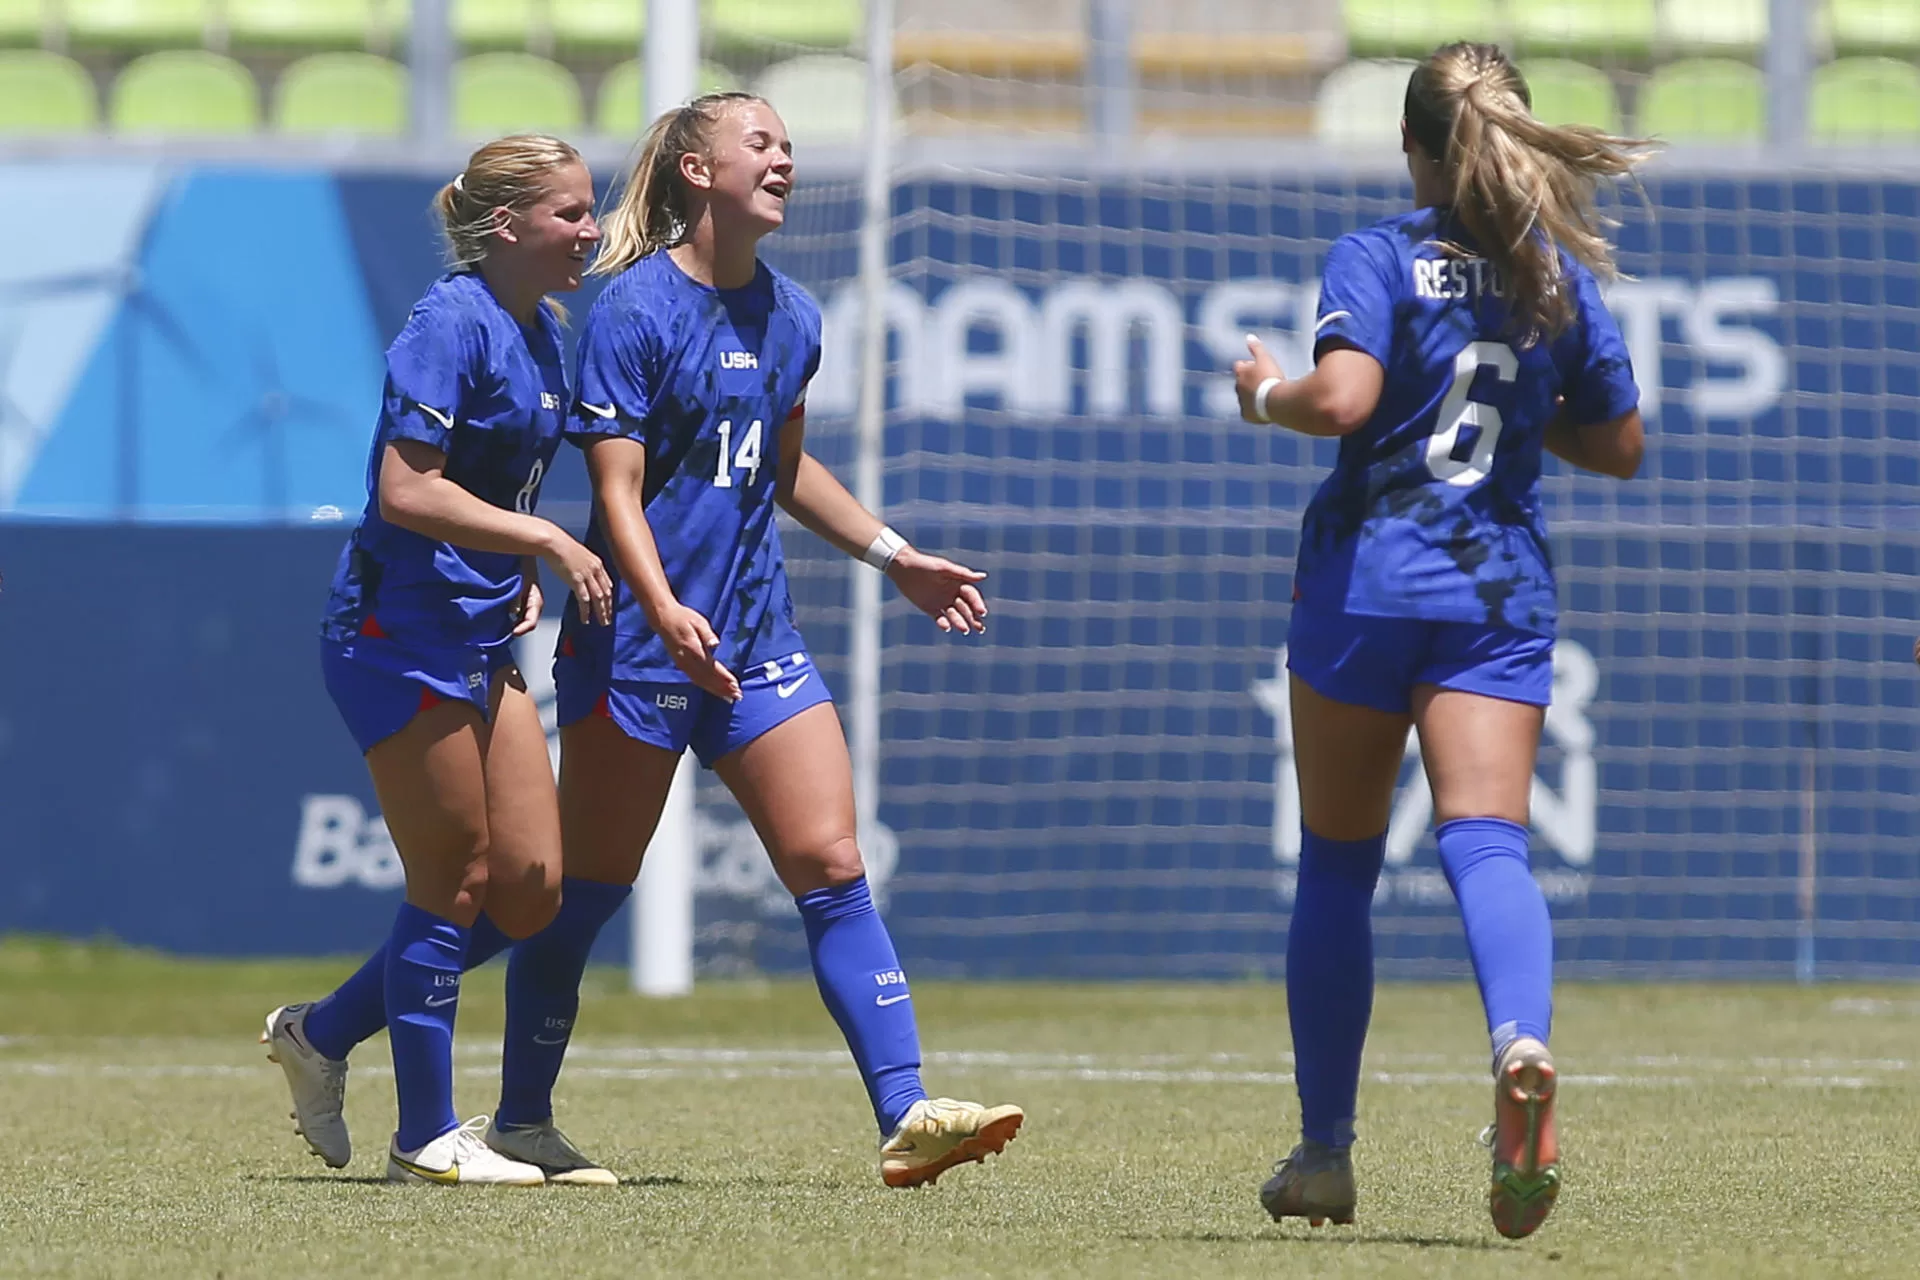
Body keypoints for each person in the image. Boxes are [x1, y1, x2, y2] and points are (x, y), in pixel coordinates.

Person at [507, 90, 1022, 1189]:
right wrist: (663, 613)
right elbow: (616, 493)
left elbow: (783, 473)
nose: (784, 158)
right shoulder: (633, 312)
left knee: (834, 866)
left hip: (754, 640)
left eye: (789, 144)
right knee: (581, 892)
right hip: (642, 648)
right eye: (760, 142)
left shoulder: (794, 317)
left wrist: (898, 557)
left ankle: (908, 1111)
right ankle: (504, 1113)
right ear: (697, 172)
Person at [1232, 43, 1649, 1239]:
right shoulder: (1552, 271)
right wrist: (1517, 421)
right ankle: (1520, 1041)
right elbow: (1620, 443)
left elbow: (1346, 400)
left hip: (1366, 583)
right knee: (1486, 841)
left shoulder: (1372, 254)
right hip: (1495, 593)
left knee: (1338, 863)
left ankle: (1323, 1154)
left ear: (1412, 147)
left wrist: (1263, 392)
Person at [261, 134, 614, 1186]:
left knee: (534, 886)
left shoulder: (544, 330)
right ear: (504, 225)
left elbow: (490, 491)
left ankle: (320, 1032)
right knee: (453, 876)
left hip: (476, 629)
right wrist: (546, 538)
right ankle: (427, 1136)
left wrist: (516, 554)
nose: (590, 231)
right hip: (393, 633)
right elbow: (406, 488)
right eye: (570, 213)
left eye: (590, 210)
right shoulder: (445, 320)